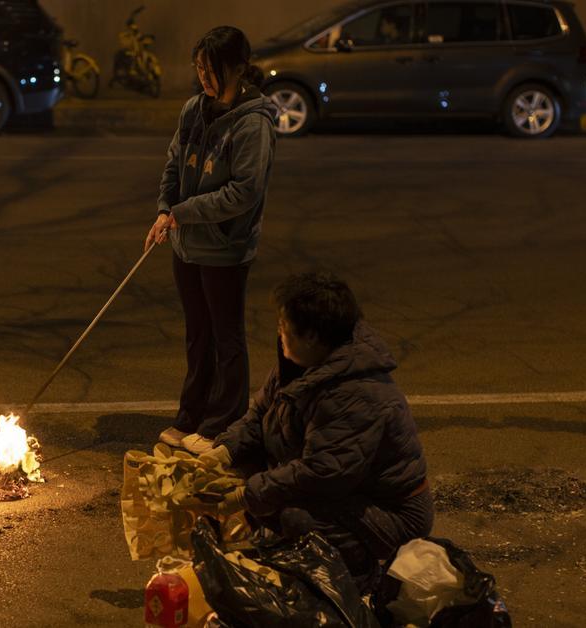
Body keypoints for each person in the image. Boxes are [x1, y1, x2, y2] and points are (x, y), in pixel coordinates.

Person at [201, 272, 433, 592]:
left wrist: (247, 494)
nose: (279, 332)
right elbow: (259, 415)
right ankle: (298, 552)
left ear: (311, 335)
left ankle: (360, 578)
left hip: (393, 513)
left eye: (285, 326)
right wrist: (222, 453)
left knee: (293, 514)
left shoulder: (355, 392)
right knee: (245, 471)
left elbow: (323, 473)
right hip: (345, 491)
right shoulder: (300, 361)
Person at [144, 26, 276, 455]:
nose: (203, 77)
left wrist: (183, 213)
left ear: (237, 67)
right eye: (198, 68)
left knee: (226, 336)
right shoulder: (193, 110)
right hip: (186, 244)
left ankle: (224, 422)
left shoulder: (253, 124)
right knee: (197, 334)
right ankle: (192, 414)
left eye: (211, 69)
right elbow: (173, 163)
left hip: (223, 247)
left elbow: (243, 192)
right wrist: (166, 209)